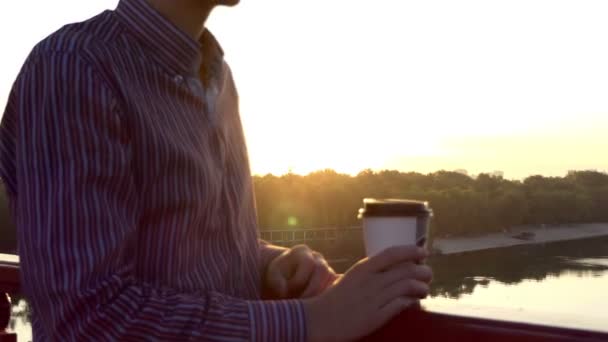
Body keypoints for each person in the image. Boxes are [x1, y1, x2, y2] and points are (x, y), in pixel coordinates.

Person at [0, 0, 433, 340]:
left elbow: (182, 248)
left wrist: (266, 263)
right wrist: (313, 321)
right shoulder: (76, 68)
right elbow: (87, 320)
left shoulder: (218, 78)